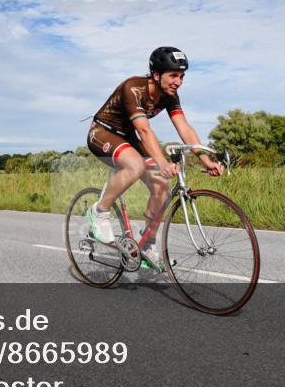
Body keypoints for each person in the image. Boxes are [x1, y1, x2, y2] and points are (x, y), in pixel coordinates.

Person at [85, 47, 224, 271]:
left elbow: (185, 128)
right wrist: (161, 161)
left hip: (127, 137)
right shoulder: (134, 87)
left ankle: (147, 243)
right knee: (136, 165)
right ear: (157, 75)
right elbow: (144, 130)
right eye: (173, 75)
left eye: (182, 76)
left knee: (162, 184)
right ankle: (99, 211)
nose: (178, 82)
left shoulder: (170, 96)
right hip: (103, 132)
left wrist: (206, 160)